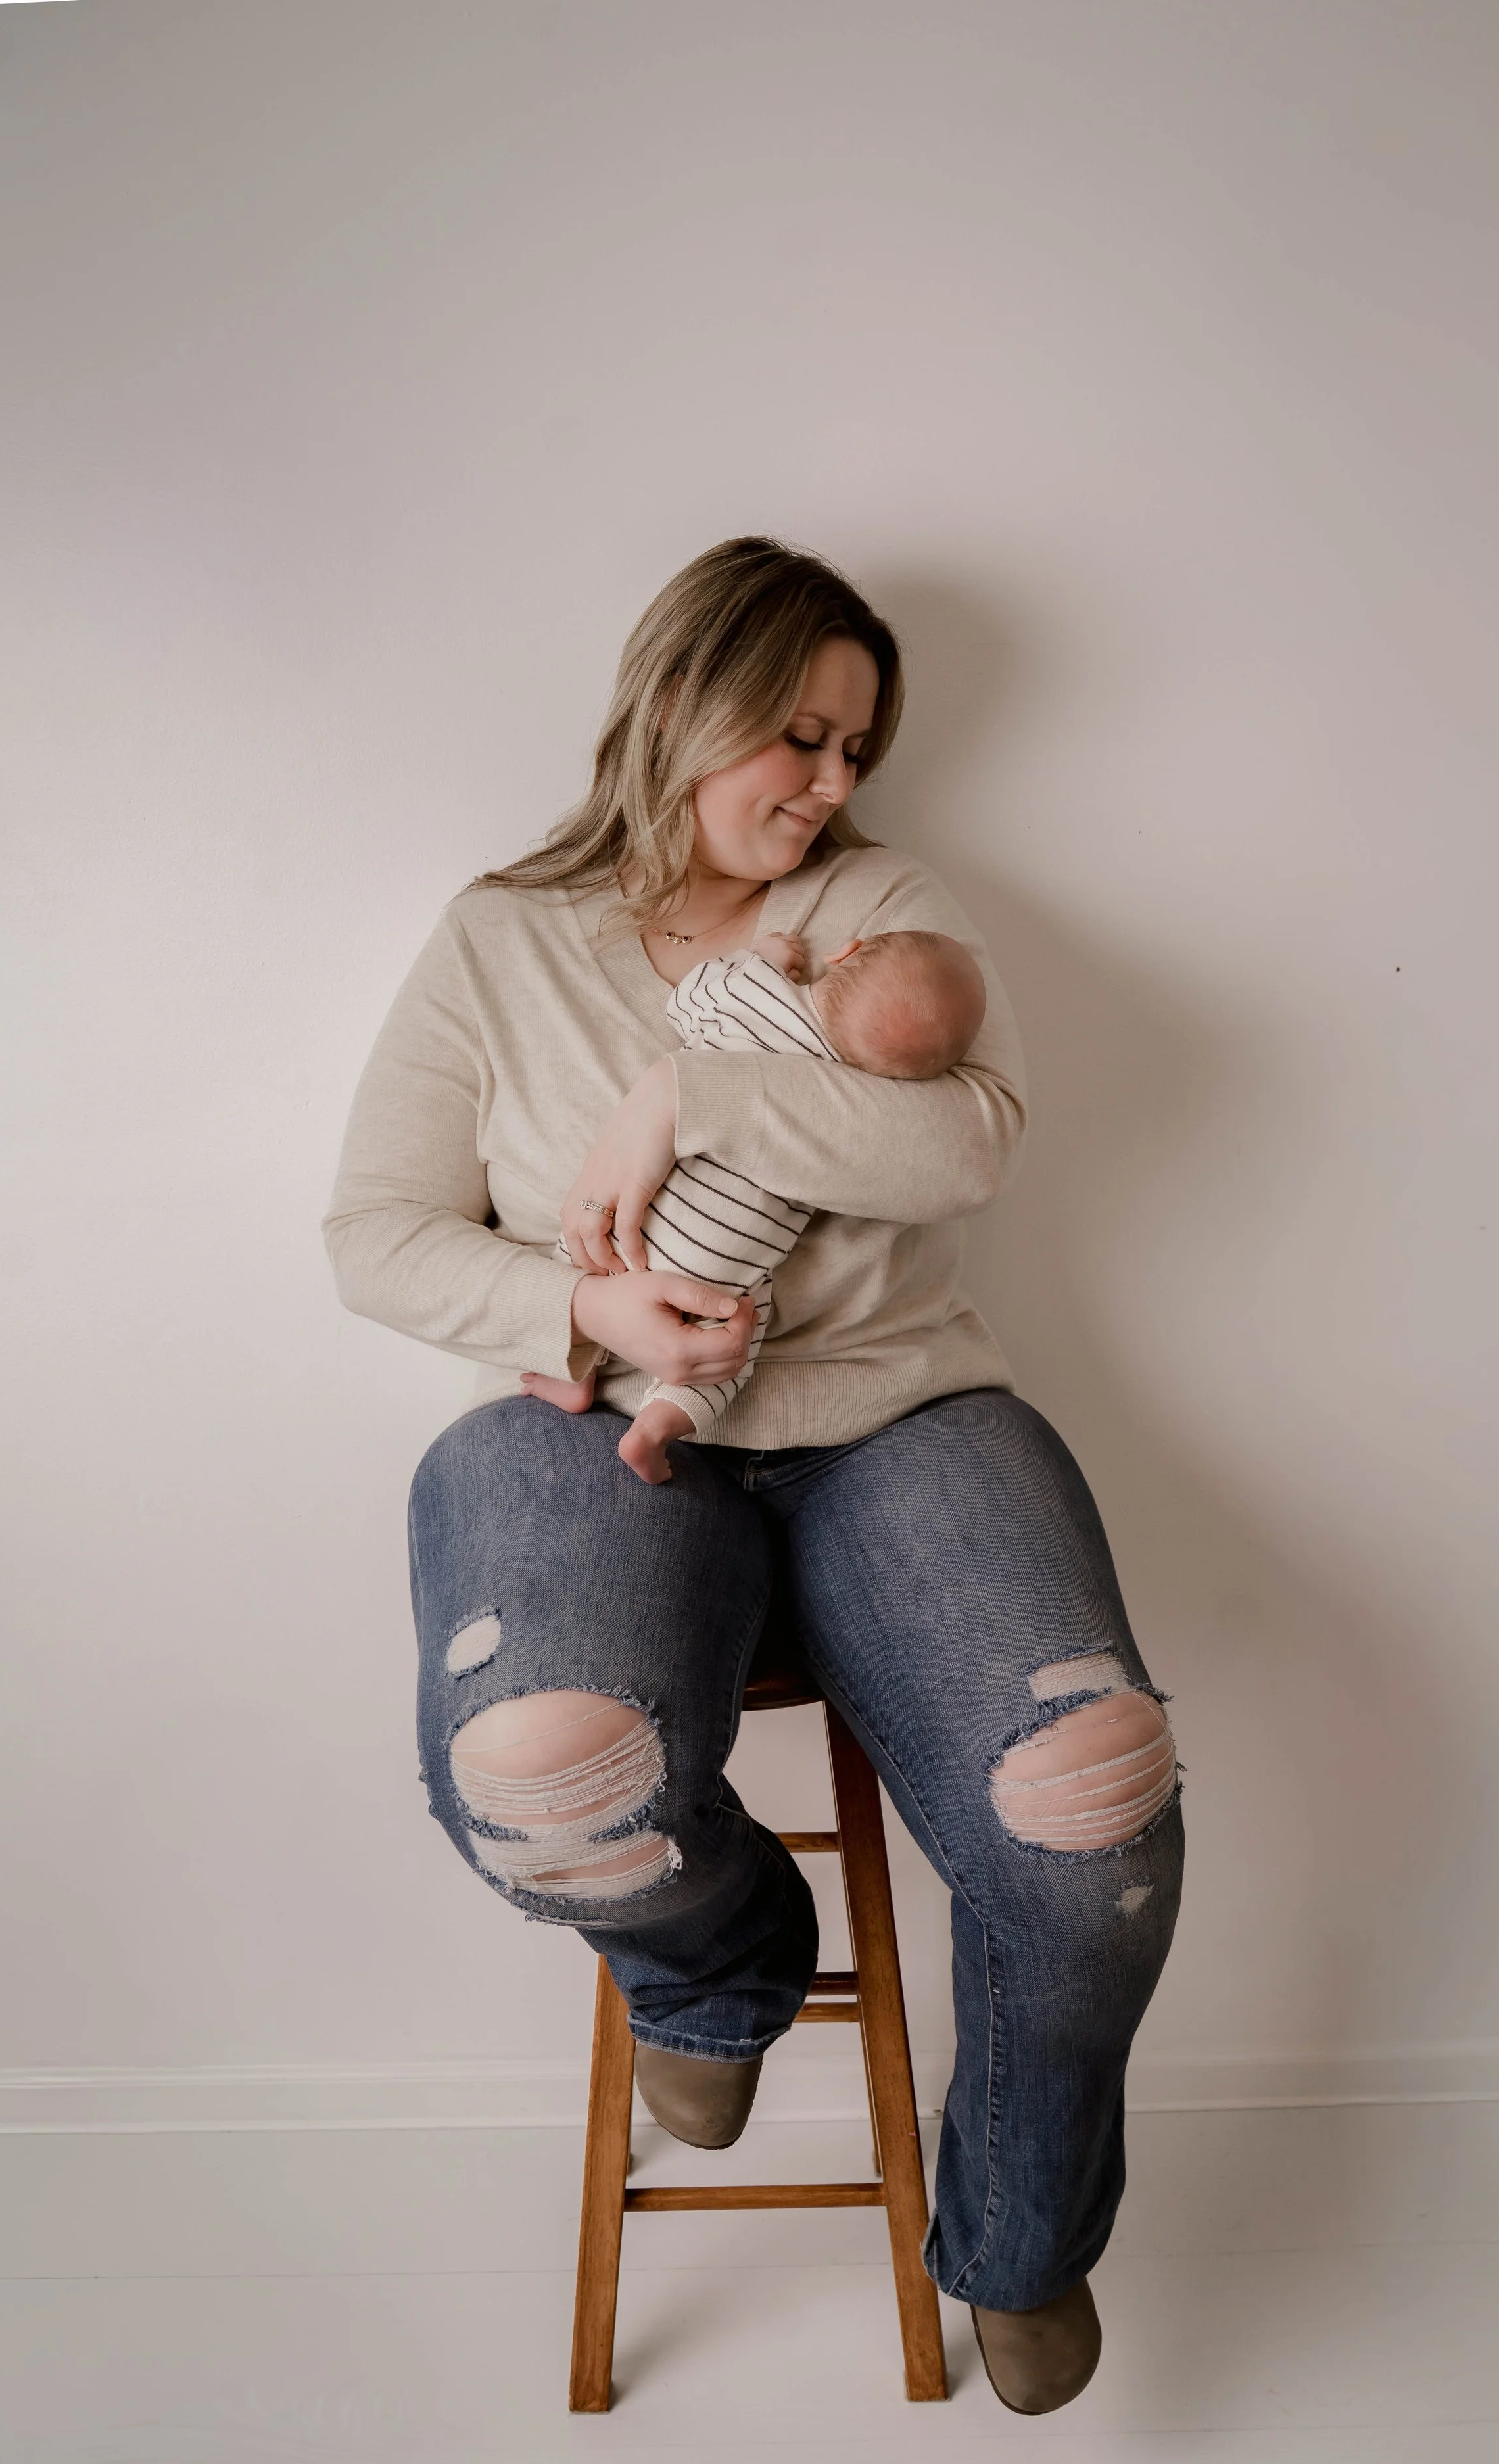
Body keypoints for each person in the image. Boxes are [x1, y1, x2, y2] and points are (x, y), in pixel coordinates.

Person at [323, 536, 1183, 2417]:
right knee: (543, 1774)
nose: (826, 781)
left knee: (1088, 1799)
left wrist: (691, 1095)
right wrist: (585, 1294)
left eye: (855, 745)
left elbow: (965, 1146)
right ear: (677, 700)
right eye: (792, 731)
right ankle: (716, 1971)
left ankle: (1024, 2229)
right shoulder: (497, 936)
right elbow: (374, 1234)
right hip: (586, 1427)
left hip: (900, 1421)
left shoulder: (880, 908)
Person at [520, 923, 989, 1482]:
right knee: (731, 1344)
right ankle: (658, 1425)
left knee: (583, 1251)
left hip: (647, 1226)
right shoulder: (863, 1096)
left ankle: (574, 1376)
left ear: (846, 952)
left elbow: (686, 1000)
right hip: (732, 1269)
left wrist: (758, 958)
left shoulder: (753, 996)